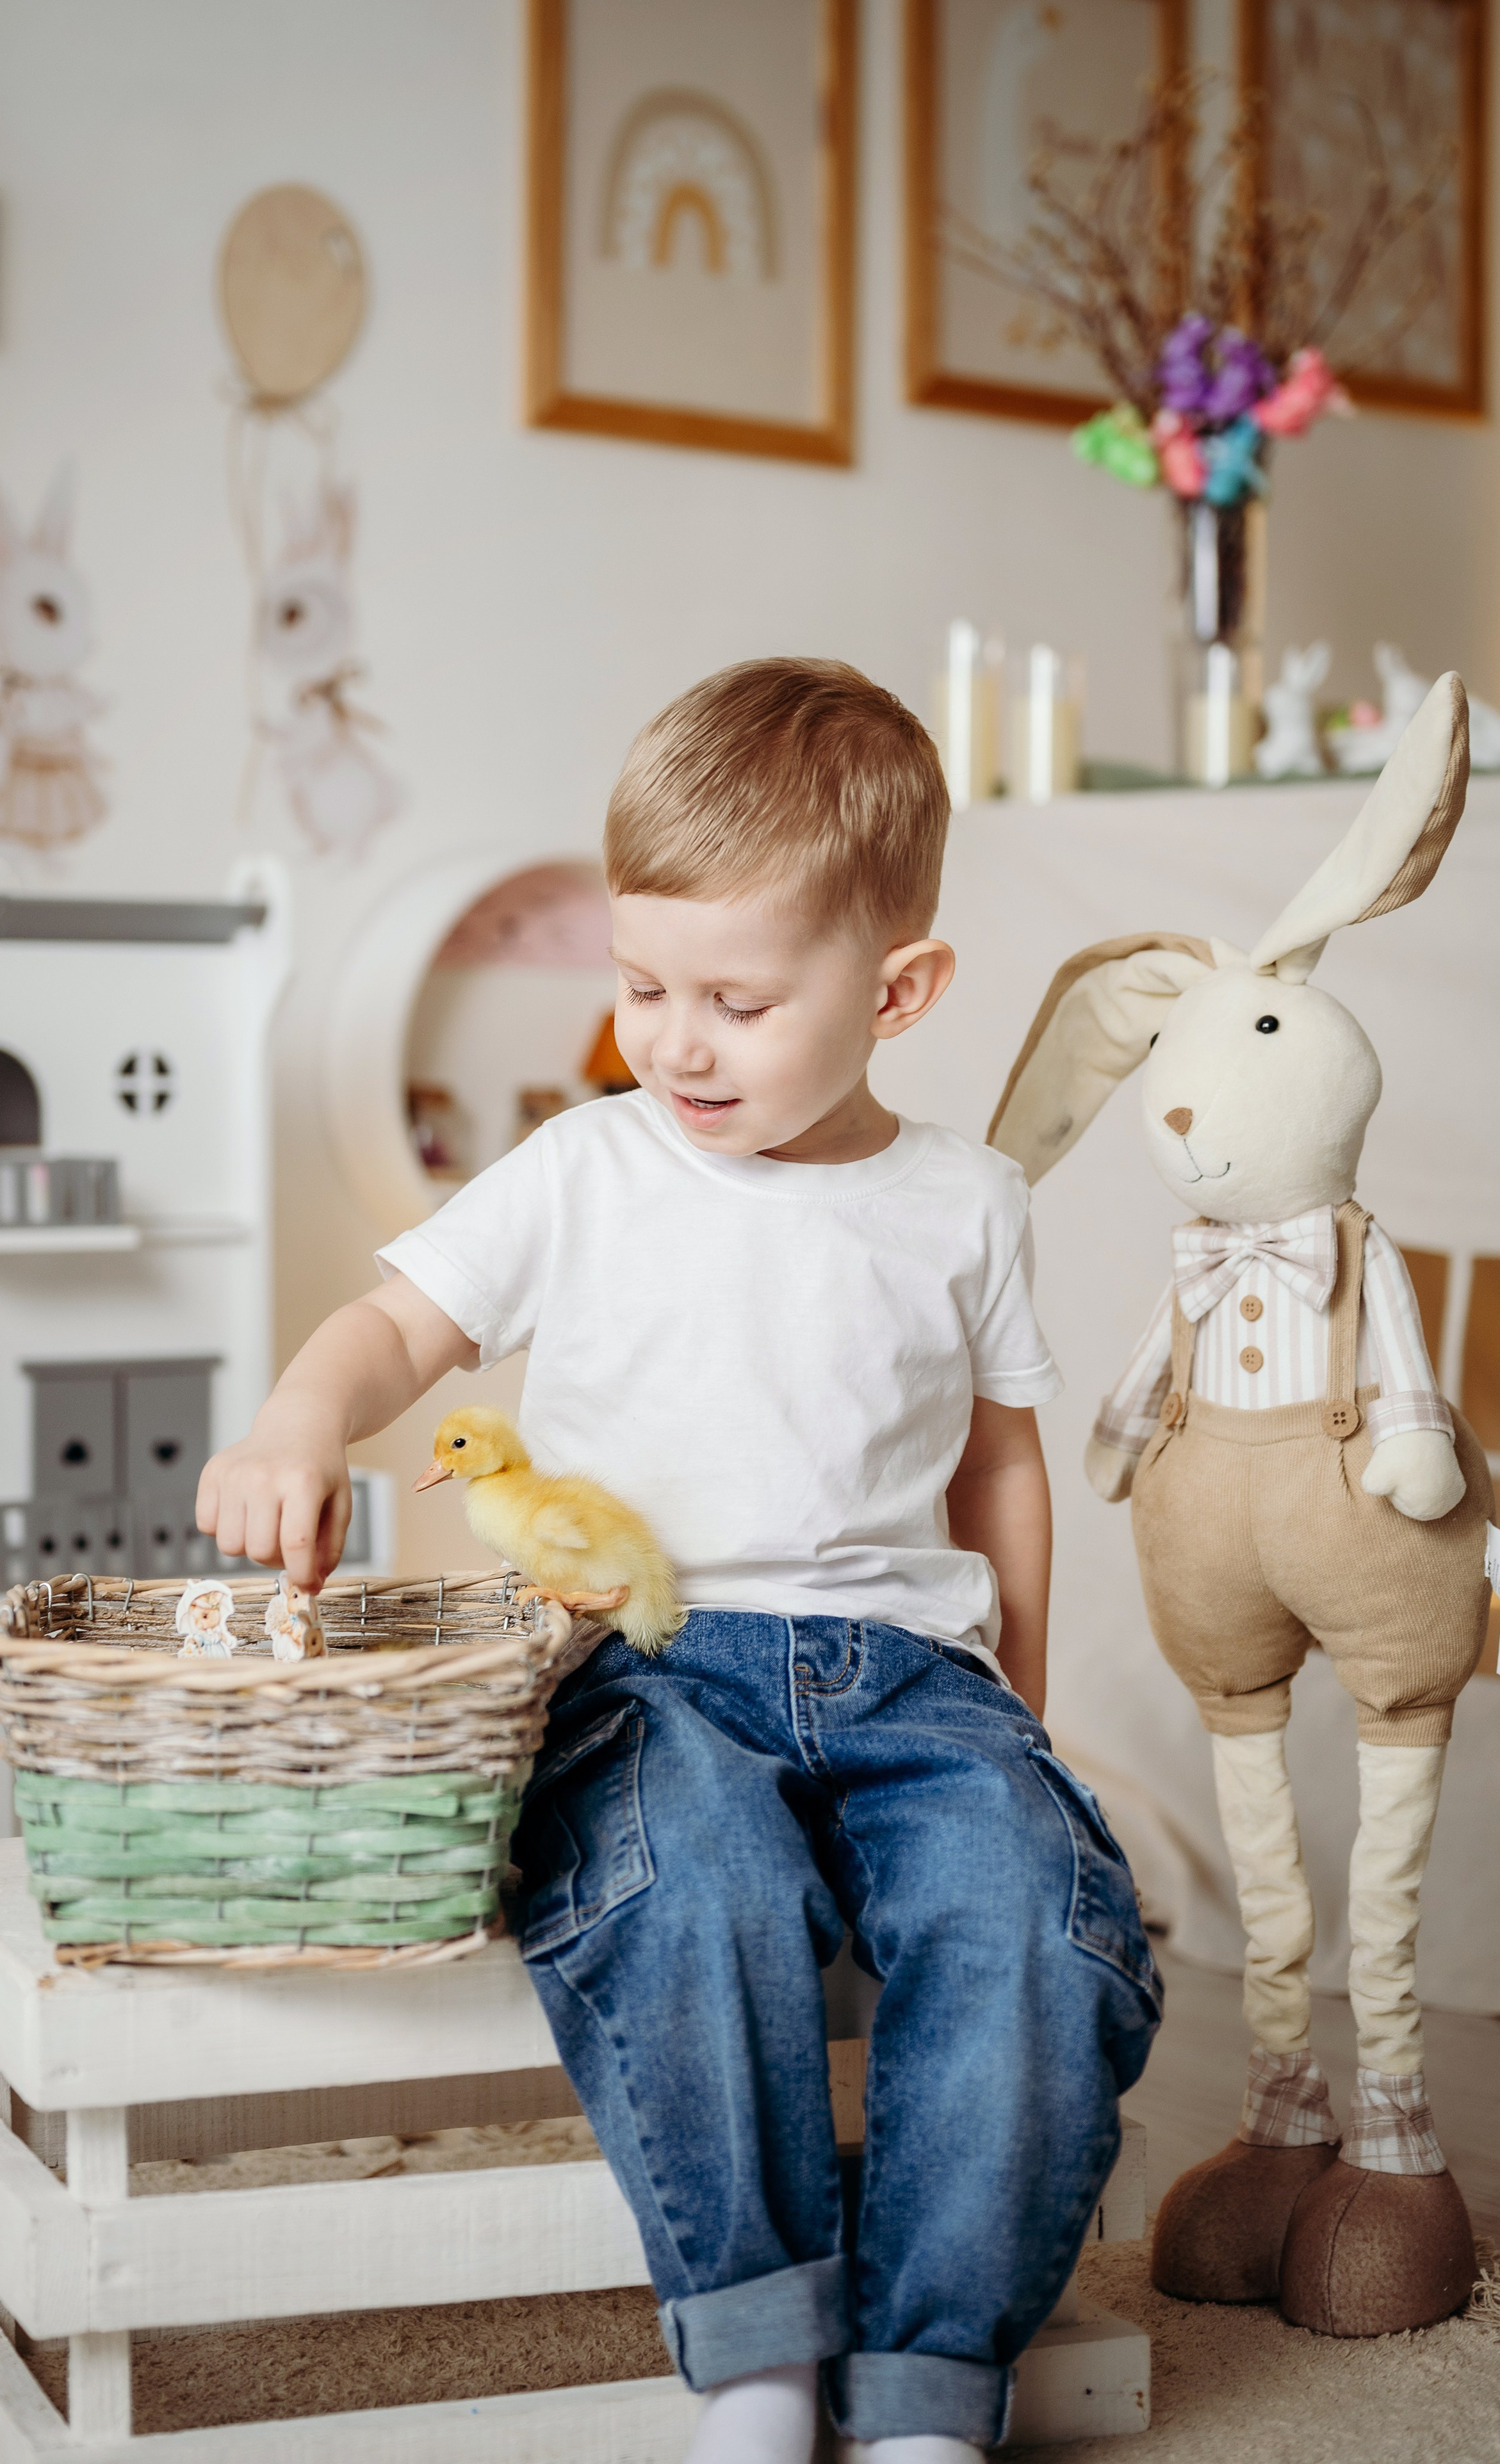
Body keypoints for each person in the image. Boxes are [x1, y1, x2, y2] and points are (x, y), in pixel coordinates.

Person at [198, 658, 1161, 2461]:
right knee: (684, 1881)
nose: (677, 1042)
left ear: (900, 992)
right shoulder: (587, 1169)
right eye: (643, 987)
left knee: (1031, 1911)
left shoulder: (966, 1204)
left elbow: (1003, 1468)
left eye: (735, 1000)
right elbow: (397, 1332)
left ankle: (932, 2391)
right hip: (646, 1663)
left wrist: (1018, 1707)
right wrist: (297, 1420)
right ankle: (761, 2358)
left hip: (909, 1680)